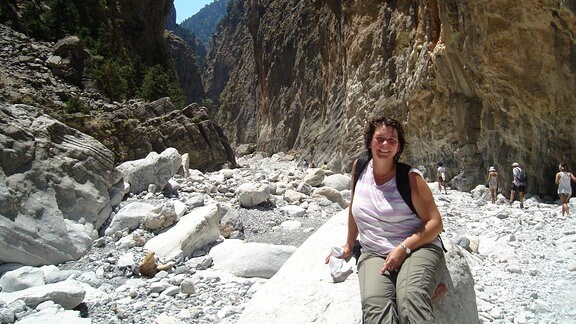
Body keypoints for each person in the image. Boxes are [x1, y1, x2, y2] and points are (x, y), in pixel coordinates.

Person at [326, 116, 445, 323]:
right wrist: (348, 244)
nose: (385, 145)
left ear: (398, 147)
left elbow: (435, 223)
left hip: (417, 248)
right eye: (379, 138)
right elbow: (355, 208)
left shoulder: (410, 178)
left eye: (392, 141)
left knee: (410, 298)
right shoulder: (360, 167)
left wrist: (403, 248)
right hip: (373, 252)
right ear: (369, 141)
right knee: (374, 305)